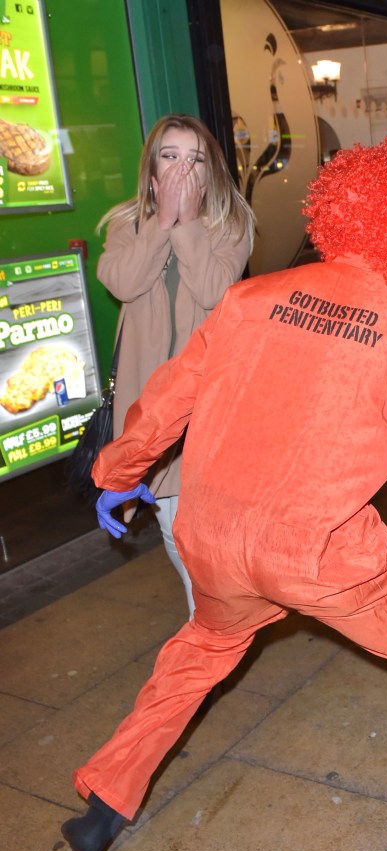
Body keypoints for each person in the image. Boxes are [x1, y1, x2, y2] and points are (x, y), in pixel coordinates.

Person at [61, 137, 387, 851]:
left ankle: (106, 799)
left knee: (202, 649)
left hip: (213, 538)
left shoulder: (250, 300)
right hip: (320, 551)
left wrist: (115, 476)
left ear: (335, 213)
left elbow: (165, 400)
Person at [96, 114, 256, 617]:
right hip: (150, 408)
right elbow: (122, 282)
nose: (183, 169)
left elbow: (214, 290)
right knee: (177, 531)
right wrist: (159, 225)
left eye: (195, 159)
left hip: (207, 406)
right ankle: (209, 630)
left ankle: (207, 637)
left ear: (210, 173)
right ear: (151, 168)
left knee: (190, 535)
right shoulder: (125, 224)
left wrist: (184, 225)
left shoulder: (232, 224)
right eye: (171, 156)